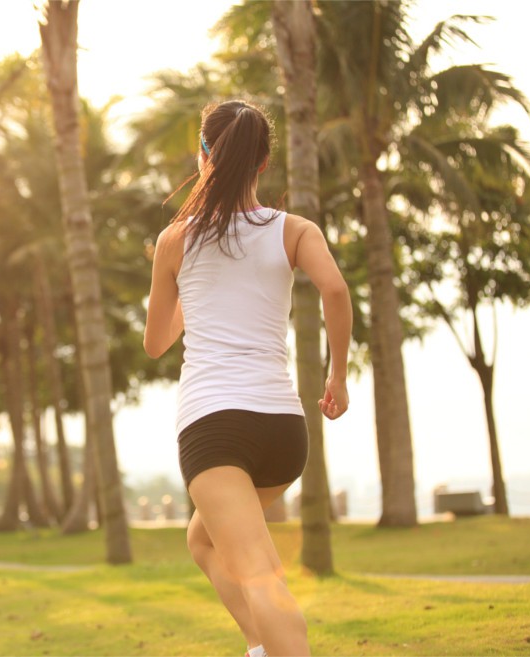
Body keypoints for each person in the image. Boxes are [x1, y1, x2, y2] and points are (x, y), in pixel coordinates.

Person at [143, 99, 353, 657]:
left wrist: (189, 292)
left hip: (215, 427)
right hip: (284, 430)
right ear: (263, 163)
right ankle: (263, 647)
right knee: (202, 538)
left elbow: (156, 342)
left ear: (203, 155)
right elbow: (335, 289)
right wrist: (339, 376)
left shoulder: (174, 240)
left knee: (259, 571)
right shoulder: (295, 229)